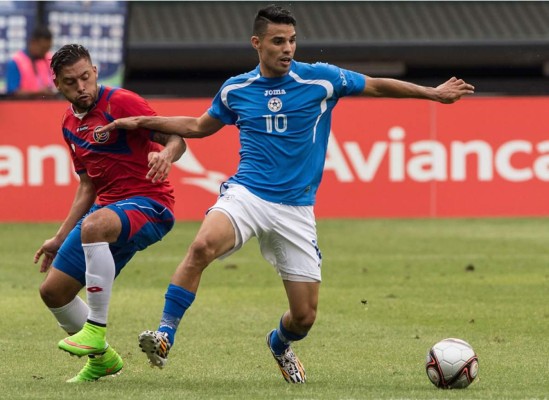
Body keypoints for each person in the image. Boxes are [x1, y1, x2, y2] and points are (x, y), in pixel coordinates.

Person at [97, 5, 475, 384]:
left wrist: (434, 93)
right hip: (248, 194)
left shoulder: (321, 80)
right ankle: (164, 334)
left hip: (296, 209)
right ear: (257, 43)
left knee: (304, 317)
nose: (287, 48)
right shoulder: (236, 89)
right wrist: (139, 121)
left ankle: (279, 344)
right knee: (201, 247)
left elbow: (376, 84)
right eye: (278, 41)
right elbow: (198, 125)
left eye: (292, 40)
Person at [33, 44, 186, 383]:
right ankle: (103, 361)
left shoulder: (121, 102)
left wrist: (166, 155)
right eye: (71, 82)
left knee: (95, 224)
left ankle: (95, 330)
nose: (82, 87)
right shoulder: (69, 124)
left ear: (96, 72)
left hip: (151, 205)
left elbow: (176, 136)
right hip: (107, 213)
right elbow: (87, 186)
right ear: (57, 84)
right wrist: (59, 238)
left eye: (86, 77)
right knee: (53, 292)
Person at [5, 25, 57, 98]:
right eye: (43, 48)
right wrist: (38, 93)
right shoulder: (16, 62)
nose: (45, 52)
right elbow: (12, 93)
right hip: (24, 107)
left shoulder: (50, 59)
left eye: (48, 48)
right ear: (33, 43)